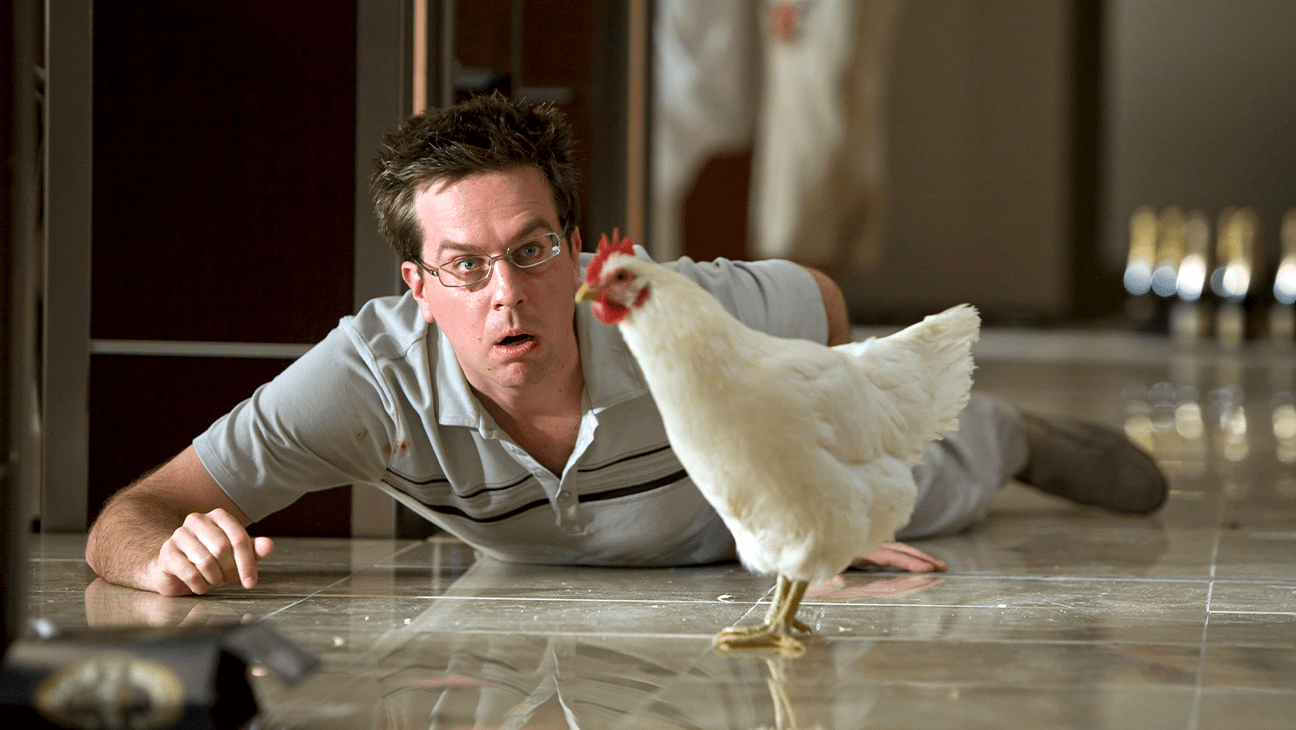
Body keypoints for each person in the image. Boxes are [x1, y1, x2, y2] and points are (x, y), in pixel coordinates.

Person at [85, 93, 1167, 597]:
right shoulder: (365, 381)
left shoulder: (670, 310)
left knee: (937, 474)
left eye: (532, 249)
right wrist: (159, 556)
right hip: (642, 532)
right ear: (416, 287)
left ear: (572, 248)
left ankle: (1016, 436)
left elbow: (827, 306)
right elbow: (130, 516)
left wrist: (819, 495)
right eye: (465, 265)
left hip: (752, 503)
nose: (507, 293)